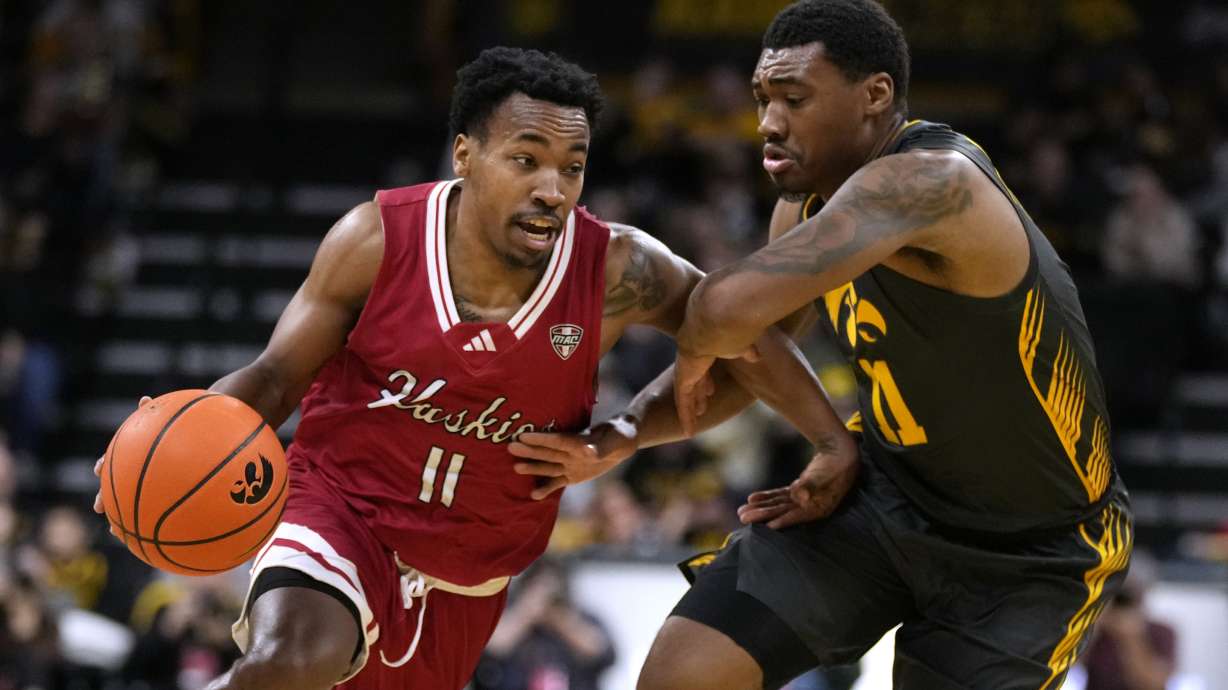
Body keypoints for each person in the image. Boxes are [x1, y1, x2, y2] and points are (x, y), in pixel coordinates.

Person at [92, 47, 852, 690]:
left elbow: (744, 343)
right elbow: (272, 377)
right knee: (290, 659)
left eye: (572, 167)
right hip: (340, 510)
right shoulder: (375, 238)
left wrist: (623, 435)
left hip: (472, 568)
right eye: (526, 159)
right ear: (466, 154)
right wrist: (172, 441)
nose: (552, 189)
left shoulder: (619, 268)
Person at [515, 2, 1134, 688]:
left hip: (1029, 550)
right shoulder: (804, 208)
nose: (768, 122)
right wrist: (626, 431)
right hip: (882, 496)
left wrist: (697, 348)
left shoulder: (935, 184)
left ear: (875, 96)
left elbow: (722, 315)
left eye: (794, 98)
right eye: (762, 98)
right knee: (682, 672)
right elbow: (751, 358)